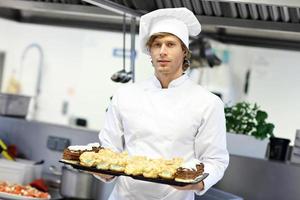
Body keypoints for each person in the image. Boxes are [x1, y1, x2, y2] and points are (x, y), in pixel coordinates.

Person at [94, 7, 229, 200]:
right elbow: (110, 149)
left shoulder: (207, 103)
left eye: (170, 44)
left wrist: (198, 181)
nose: (162, 52)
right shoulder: (125, 95)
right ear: (150, 51)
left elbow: (215, 160)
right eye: (157, 45)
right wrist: (103, 169)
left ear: (184, 51)